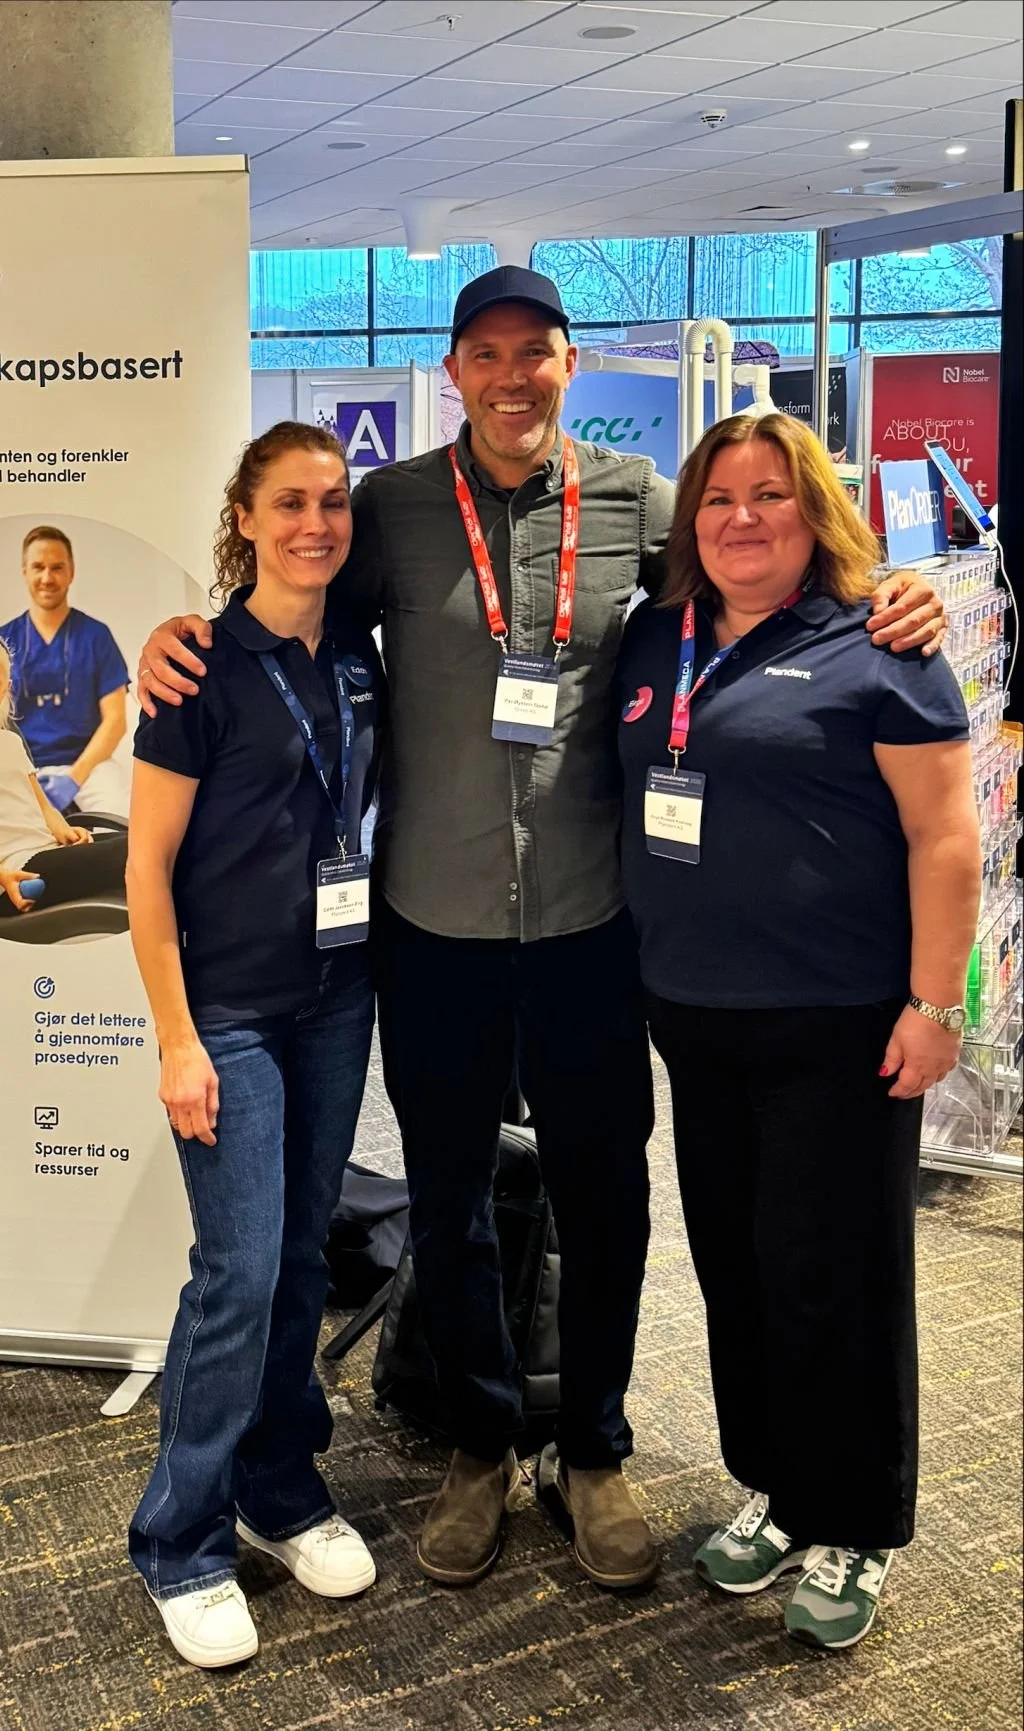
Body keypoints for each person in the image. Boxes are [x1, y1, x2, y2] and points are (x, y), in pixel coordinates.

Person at [135, 267, 947, 1595]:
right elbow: (280, 619)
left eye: (538, 353)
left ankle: (594, 1443)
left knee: (604, 1188)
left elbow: (765, 571)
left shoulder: (638, 502)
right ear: (452, 371)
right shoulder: (392, 508)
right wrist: (176, 634)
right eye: (486, 355)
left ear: (572, 367)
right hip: (431, 923)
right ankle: (477, 1438)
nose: (512, 377)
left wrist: (890, 594)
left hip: (590, 922)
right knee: (449, 1195)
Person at [616, 411, 979, 1650]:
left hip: (839, 1023)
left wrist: (937, 1006)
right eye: (717, 499)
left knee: (840, 1275)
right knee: (740, 1265)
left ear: (811, 509)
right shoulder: (651, 639)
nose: (740, 519)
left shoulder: (878, 642)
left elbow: (944, 836)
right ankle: (774, 1485)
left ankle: (859, 1525)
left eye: (768, 495)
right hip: (694, 1016)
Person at [125, 422, 384, 1669]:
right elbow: (144, 871)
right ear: (244, 516)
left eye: (332, 502)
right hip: (225, 1013)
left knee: (293, 1262)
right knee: (235, 1272)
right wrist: (176, 1040)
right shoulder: (195, 670)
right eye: (288, 503)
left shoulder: (356, 654)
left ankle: (279, 1492)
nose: (315, 524)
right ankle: (179, 1539)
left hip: (335, 999)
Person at [0, 629, 126, 915]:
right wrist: (3, 877)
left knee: (144, 843)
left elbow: (43, 807)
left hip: (47, 853)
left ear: (6, 688)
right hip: (17, 876)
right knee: (137, 853)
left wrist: (65, 831)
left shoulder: (10, 741)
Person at [0, 525, 131, 816]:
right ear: (25, 572)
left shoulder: (96, 636)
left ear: (71, 573)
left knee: (122, 821)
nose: (47, 578)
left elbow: (116, 721)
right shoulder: (1, 643)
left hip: (90, 765)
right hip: (22, 770)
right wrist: (24, 777)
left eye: (57, 568)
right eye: (38, 567)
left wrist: (73, 778)